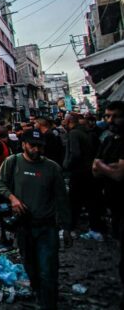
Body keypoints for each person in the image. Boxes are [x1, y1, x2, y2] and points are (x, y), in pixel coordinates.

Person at [0, 130, 72, 310]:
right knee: (31, 267)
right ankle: (39, 292)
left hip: (47, 227)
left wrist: (67, 228)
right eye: (33, 145)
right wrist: (13, 199)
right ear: (24, 144)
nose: (36, 149)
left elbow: (62, 198)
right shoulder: (13, 162)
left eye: (40, 146)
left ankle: (49, 304)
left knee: (48, 270)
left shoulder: (52, 168)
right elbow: (0, 183)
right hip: (24, 227)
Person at [92, 101, 124, 305]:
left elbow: (119, 174)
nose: (110, 120)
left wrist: (103, 166)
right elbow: (94, 170)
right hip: (114, 205)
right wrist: (107, 168)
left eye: (115, 116)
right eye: (107, 116)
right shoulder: (108, 140)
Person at [63, 114, 103, 234]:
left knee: (74, 201)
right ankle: (95, 227)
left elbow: (75, 154)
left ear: (69, 121)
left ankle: (70, 227)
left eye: (65, 120)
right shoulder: (87, 133)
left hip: (79, 172)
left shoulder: (74, 133)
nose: (63, 122)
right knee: (91, 200)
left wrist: (67, 165)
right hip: (89, 171)